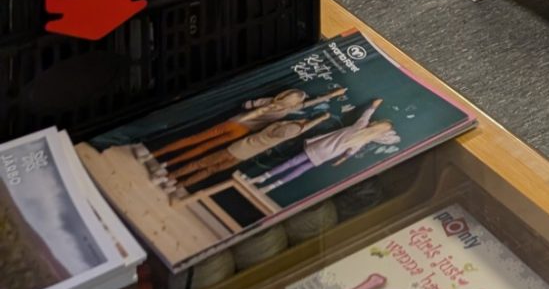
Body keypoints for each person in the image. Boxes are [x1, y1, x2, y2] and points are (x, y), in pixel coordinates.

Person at [151, 87, 345, 165]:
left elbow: (247, 105)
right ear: (295, 102)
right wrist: (331, 96)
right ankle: (167, 163)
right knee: (204, 147)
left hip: (236, 122)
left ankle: (156, 154)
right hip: (243, 131)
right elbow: (310, 103)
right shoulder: (287, 110)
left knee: (194, 139)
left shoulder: (272, 101)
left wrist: (256, 105)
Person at [249, 99, 400, 193]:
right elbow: (351, 152)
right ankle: (270, 187)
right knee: (301, 169)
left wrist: (374, 105)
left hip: (322, 146)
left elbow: (367, 113)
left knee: (292, 162)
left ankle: (263, 177)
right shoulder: (363, 140)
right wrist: (341, 160)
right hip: (328, 155)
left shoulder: (361, 126)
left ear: (376, 124)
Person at [164, 111, 335, 190]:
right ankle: (179, 185)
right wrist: (320, 119)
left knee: (201, 163)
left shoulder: (275, 129)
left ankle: (171, 177)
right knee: (210, 170)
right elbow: (302, 128)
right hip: (243, 156)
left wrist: (314, 118)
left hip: (237, 149)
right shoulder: (288, 134)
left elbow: (291, 126)